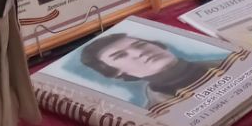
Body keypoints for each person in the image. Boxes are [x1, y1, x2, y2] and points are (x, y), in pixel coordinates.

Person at [78, 33, 217, 101]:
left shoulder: (223, 63)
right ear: (115, 72)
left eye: (140, 45)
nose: (139, 52)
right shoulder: (160, 111)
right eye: (120, 56)